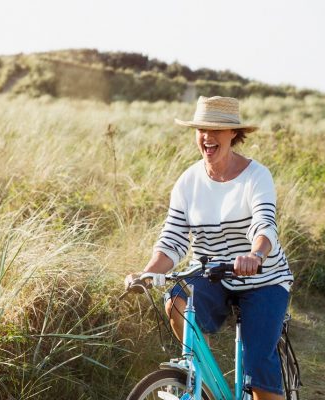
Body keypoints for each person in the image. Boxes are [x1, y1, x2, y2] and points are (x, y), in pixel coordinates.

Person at [125, 96, 293, 399]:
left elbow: (264, 225)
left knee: (257, 368)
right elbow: (172, 240)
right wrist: (147, 273)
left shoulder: (257, 176)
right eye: (201, 129)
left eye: (216, 129)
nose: (207, 137)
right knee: (175, 300)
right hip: (213, 274)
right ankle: (201, 380)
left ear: (233, 134)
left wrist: (255, 255)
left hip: (263, 279)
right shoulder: (188, 182)